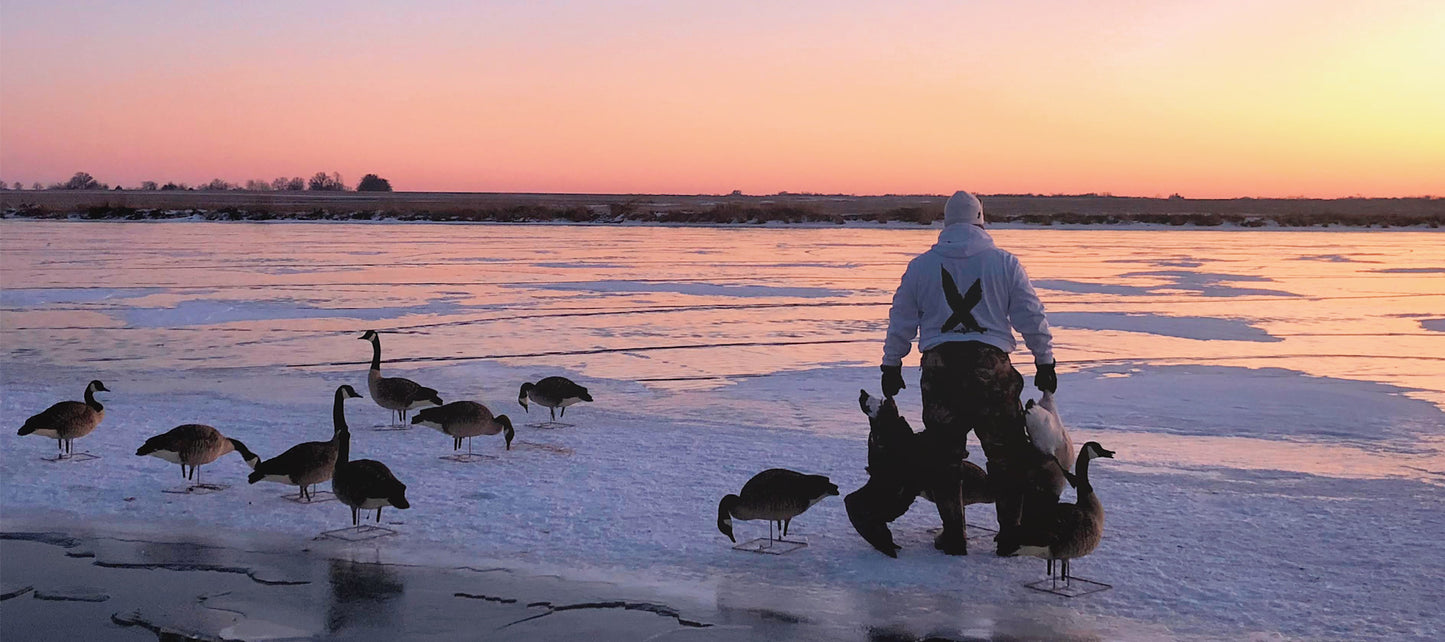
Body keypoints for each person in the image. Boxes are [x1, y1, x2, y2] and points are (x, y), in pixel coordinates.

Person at [878, 190, 1057, 556]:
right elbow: (1030, 314)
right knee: (1007, 455)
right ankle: (1010, 535)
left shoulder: (921, 266)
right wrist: (1044, 360)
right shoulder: (1005, 264)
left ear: (946, 221)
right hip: (992, 370)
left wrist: (892, 363)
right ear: (980, 218)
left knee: (945, 458)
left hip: (940, 371)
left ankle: (954, 535)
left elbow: (901, 319)